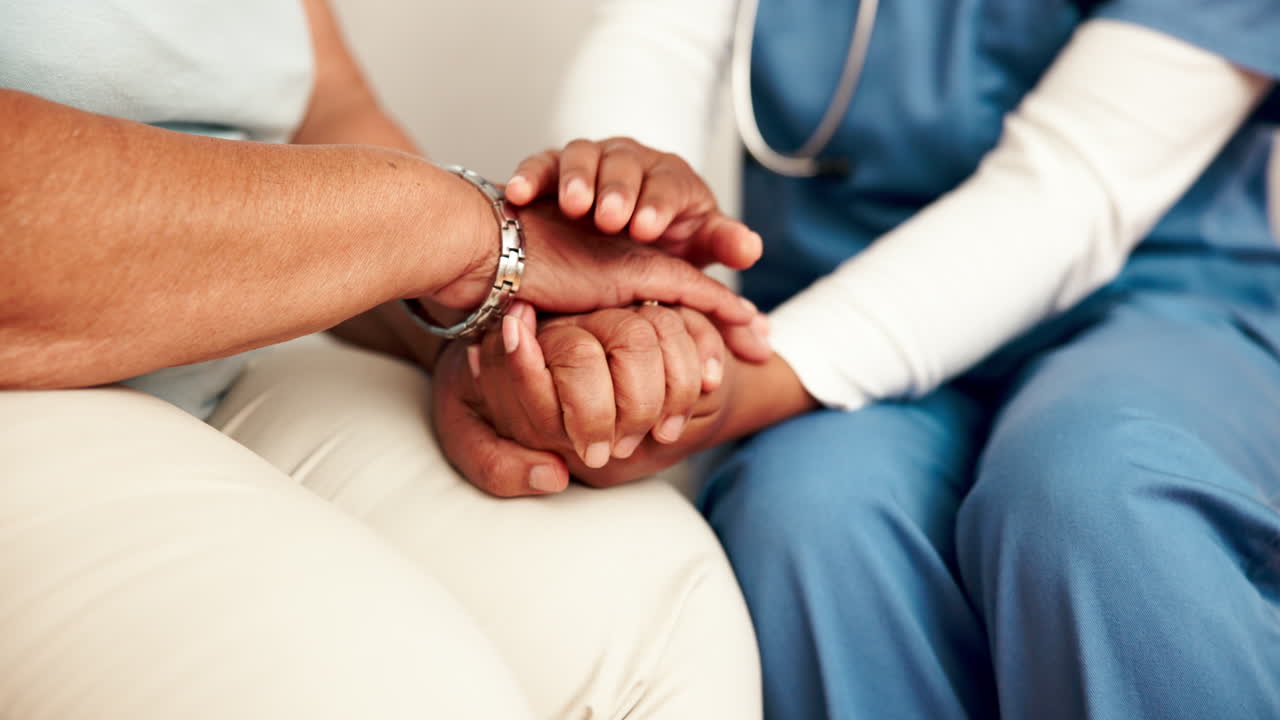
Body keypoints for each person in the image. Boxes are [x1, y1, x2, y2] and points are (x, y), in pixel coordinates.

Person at [442, 0, 1280, 717]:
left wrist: (731, 379)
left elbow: (1071, 185)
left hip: (1150, 302)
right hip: (816, 300)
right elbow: (656, 39)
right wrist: (626, 278)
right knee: (805, 520)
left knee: (1097, 501)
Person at [0, 1, 771, 717]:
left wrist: (500, 334)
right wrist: (470, 237)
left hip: (220, 362)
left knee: (659, 622)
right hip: (28, 384)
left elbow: (326, 115)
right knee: (390, 686)